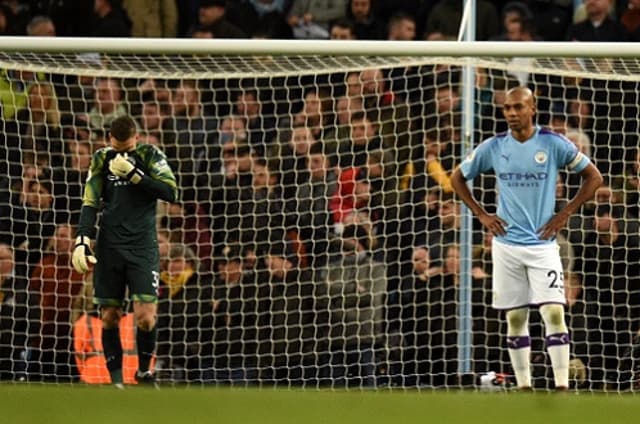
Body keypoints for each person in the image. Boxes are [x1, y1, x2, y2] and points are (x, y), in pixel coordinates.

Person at [451, 87, 603, 391]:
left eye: (518, 107)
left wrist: (565, 214)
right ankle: (524, 386)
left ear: (532, 108)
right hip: (506, 246)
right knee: (516, 318)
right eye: (507, 108)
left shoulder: (552, 143)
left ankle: (561, 386)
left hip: (543, 246)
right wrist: (481, 214)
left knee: (554, 311)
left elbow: (594, 177)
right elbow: (457, 177)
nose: (511, 113)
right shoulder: (494, 146)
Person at [71, 115, 178, 387]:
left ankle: (143, 373)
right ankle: (116, 383)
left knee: (145, 316)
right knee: (109, 316)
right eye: (117, 149)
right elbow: (90, 201)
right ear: (109, 140)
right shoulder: (101, 159)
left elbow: (170, 191)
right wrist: (83, 238)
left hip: (142, 247)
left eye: (127, 149)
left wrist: (134, 175)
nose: (121, 154)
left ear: (136, 139)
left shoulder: (150, 155)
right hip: (110, 247)